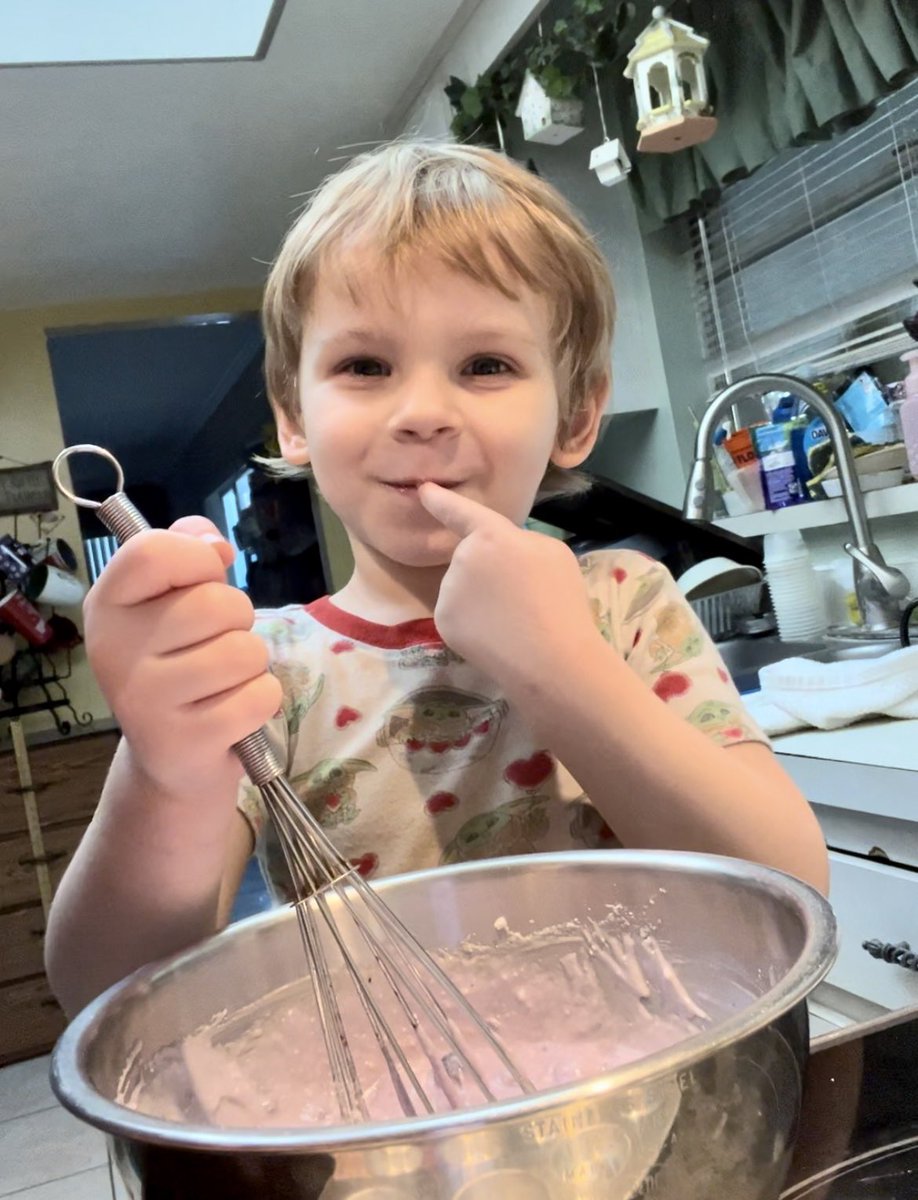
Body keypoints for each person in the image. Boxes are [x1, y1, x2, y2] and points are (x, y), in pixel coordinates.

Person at [45, 141, 828, 1017]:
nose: (421, 414)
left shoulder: (622, 605)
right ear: (294, 418)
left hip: (653, 1111)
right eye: (365, 366)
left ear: (574, 416)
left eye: (486, 365)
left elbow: (785, 892)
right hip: (395, 1137)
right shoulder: (263, 673)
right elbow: (106, 993)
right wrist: (164, 766)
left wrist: (563, 664)